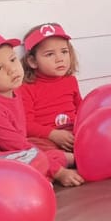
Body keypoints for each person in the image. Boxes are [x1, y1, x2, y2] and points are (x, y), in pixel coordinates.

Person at [0, 32, 84, 187]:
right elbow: (20, 147)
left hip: (3, 152)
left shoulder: (15, 91)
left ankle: (71, 158)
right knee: (32, 160)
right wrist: (60, 173)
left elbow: (20, 143)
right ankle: (49, 171)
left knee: (40, 155)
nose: (12, 70)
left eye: (12, 60)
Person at [18, 23, 83, 152]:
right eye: (49, 54)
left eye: (64, 52)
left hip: (73, 134)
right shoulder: (26, 87)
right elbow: (26, 124)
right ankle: (68, 161)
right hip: (47, 138)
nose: (59, 59)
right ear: (33, 61)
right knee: (33, 148)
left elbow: (81, 109)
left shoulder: (70, 81)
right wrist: (53, 134)